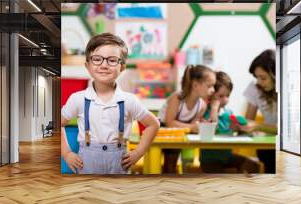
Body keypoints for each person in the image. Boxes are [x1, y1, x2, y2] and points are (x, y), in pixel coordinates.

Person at [61, 33, 160, 174]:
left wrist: (138, 153)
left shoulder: (129, 100)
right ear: (87, 66)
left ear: (122, 67)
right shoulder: (77, 99)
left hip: (118, 165)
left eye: (112, 60)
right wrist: (66, 153)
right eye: (97, 59)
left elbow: (153, 124)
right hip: (86, 165)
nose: (104, 65)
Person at [157, 65, 216, 173]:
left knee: (179, 162)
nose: (213, 90)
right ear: (195, 85)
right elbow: (170, 122)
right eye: (209, 86)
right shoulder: (177, 98)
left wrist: (199, 127)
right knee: (170, 163)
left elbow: (192, 128)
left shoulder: (202, 106)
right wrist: (193, 127)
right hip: (161, 131)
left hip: (179, 135)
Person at [199, 71, 260, 173]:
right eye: (221, 96)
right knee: (219, 180)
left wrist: (237, 129)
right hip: (209, 160)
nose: (226, 100)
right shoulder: (205, 111)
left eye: (228, 95)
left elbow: (236, 132)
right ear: (211, 94)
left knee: (253, 166)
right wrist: (214, 108)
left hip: (227, 156)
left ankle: (240, 186)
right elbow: (212, 128)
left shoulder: (228, 113)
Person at [238, 49, 276, 173]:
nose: (259, 82)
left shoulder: (290, 88)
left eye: (263, 77)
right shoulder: (255, 88)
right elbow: (249, 120)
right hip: (267, 146)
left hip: (285, 144)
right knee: (265, 152)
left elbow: (288, 130)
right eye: (257, 77)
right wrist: (241, 126)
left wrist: (257, 126)